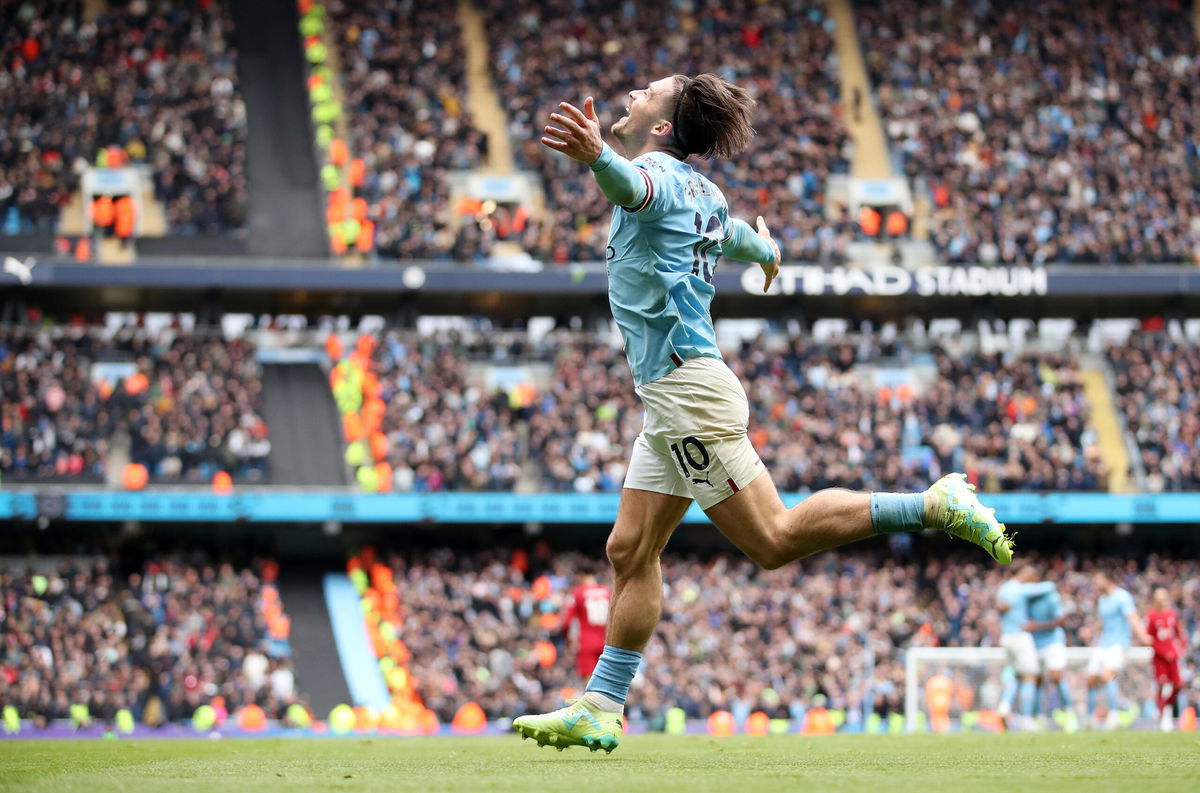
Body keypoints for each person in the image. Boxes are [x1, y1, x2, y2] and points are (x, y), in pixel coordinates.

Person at [513, 73, 1013, 754]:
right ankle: (602, 702)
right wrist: (768, 251)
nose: (634, 91)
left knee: (772, 538)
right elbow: (738, 236)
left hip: (686, 392)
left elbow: (632, 189)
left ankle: (931, 504)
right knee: (629, 549)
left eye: (650, 92)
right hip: (676, 397)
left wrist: (599, 155)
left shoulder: (652, 172)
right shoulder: (707, 194)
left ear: (662, 130)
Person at [1085, 572, 1151, 729]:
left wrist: (1143, 636)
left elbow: (1132, 617)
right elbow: (1103, 621)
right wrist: (1090, 631)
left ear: (1108, 579)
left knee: (1107, 675)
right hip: (1104, 643)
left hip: (1119, 643)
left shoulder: (1122, 597)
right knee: (1091, 678)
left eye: (1098, 579)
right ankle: (1090, 717)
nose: (1095, 583)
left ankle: (1114, 714)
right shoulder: (1102, 599)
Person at [996, 565, 1053, 730]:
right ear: (1020, 572)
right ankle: (1026, 719)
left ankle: (1004, 707)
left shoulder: (1003, 589)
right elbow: (1049, 587)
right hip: (1020, 636)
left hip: (1006, 637)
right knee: (1030, 676)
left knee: (1017, 675)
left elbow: (1000, 606)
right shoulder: (1020, 589)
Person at [1025, 582, 1074, 730]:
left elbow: (1062, 620)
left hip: (1053, 642)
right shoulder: (1026, 599)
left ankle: (1069, 713)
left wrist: (1039, 626)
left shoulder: (1051, 598)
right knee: (1036, 680)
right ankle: (1038, 716)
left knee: (1057, 677)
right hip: (1035, 643)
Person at [1145, 587, 1186, 731]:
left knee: (1178, 685)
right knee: (1161, 685)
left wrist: (1181, 647)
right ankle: (1163, 715)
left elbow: (1179, 633)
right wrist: (1162, 652)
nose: (1162, 600)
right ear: (1155, 599)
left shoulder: (1171, 614)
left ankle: (1164, 707)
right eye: (1159, 597)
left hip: (1173, 657)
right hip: (1160, 658)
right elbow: (1149, 638)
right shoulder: (1151, 616)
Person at [562, 573, 611, 681]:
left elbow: (566, 623)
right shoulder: (608, 592)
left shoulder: (578, 593)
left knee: (590, 685)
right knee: (608, 682)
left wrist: (568, 639)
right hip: (608, 643)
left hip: (587, 642)